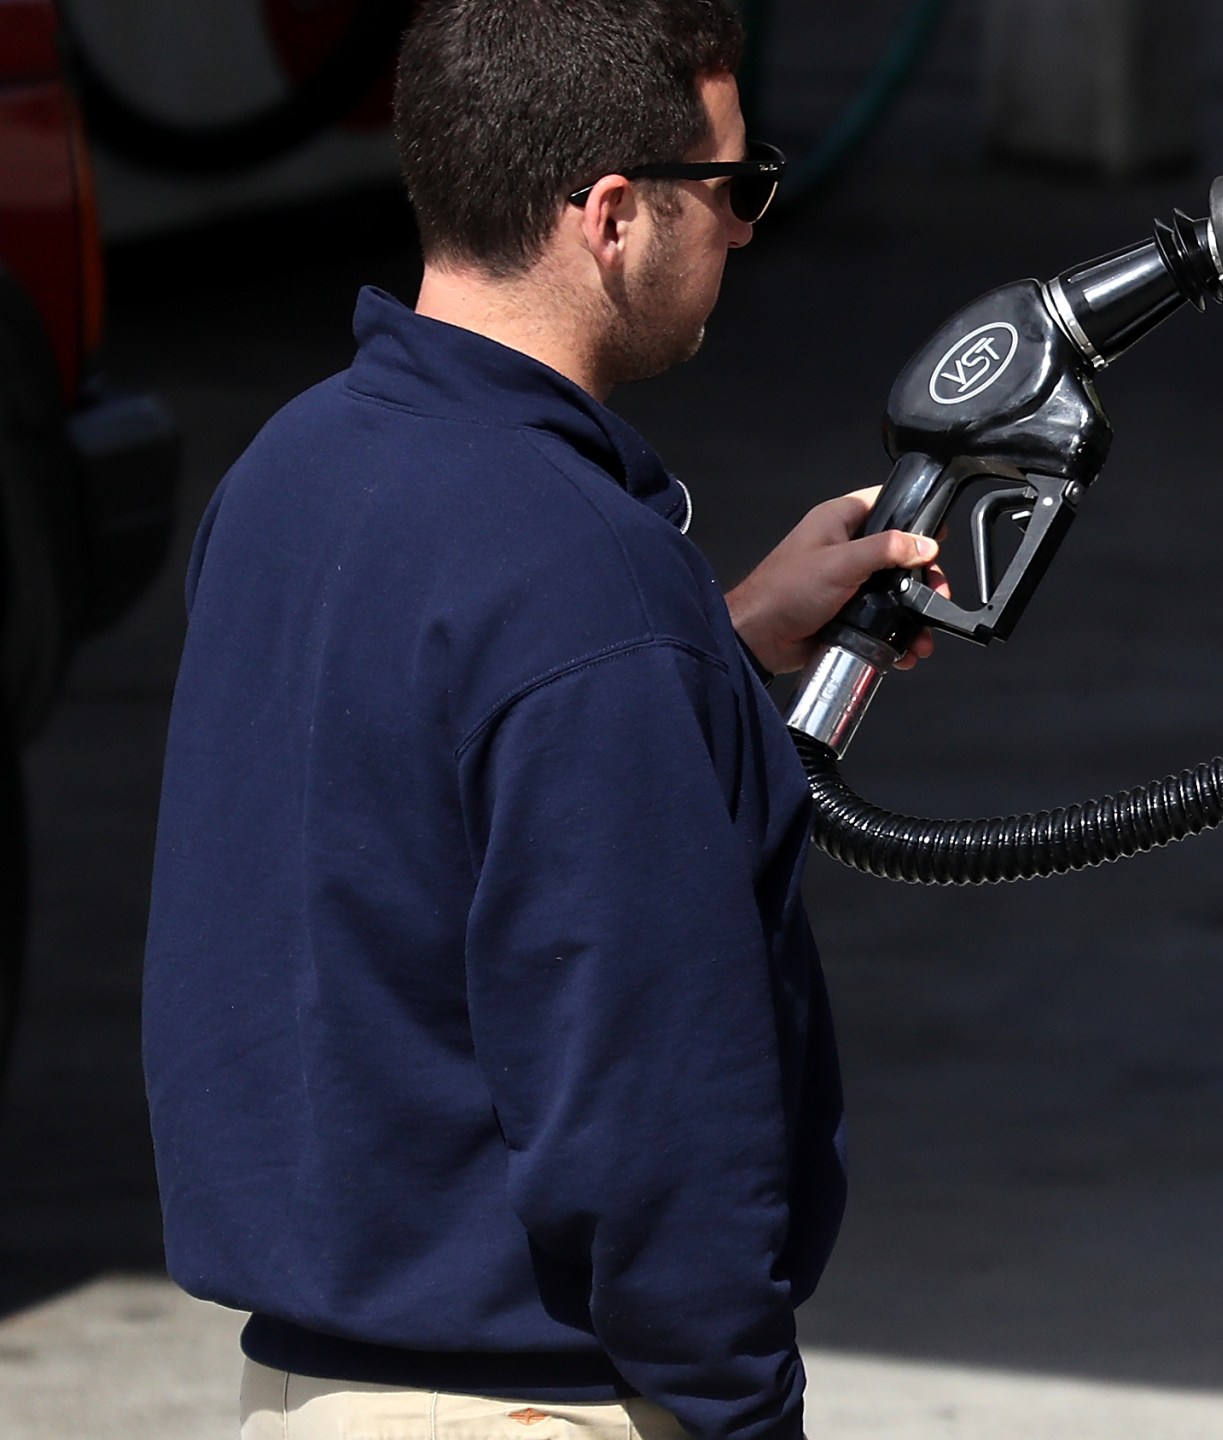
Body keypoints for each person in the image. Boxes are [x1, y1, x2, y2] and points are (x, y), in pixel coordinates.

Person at [140, 2, 928, 1435]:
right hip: (528, 1410)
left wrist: (719, 638)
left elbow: (403, 786)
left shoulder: (289, 476)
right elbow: (647, 1103)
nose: (747, 231)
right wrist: (743, 1412)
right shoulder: (585, 580)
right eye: (736, 188)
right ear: (614, 216)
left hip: (304, 1393)